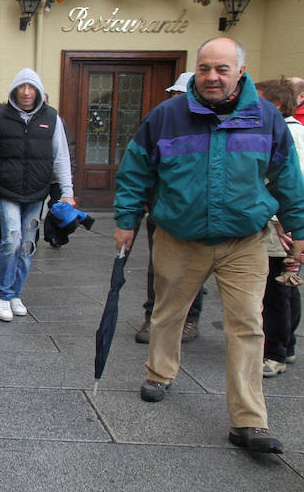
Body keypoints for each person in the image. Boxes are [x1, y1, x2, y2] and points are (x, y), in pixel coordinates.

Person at [113, 38, 304, 454]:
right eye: (204, 68)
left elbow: (288, 176)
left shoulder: (266, 118)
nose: (212, 77)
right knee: (167, 311)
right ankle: (159, 373)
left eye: (221, 68)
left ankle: (249, 422)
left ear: (240, 70)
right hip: (180, 237)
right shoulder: (166, 116)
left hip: (245, 240)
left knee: (248, 326)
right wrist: (126, 221)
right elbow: (135, 171)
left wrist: (299, 227)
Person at [0, 69, 74, 321]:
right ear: (15, 90)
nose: (26, 91)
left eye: (31, 87)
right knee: (11, 240)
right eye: (22, 87)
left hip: (36, 193)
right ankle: (3, 294)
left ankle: (15, 293)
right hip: (7, 191)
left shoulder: (52, 118)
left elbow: (61, 156)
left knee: (28, 246)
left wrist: (67, 192)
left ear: (38, 91)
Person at [135, 72, 205, 344]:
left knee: (194, 268)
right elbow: (140, 163)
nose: (176, 100)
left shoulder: (206, 126)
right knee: (159, 267)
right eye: (174, 95)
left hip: (198, 212)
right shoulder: (158, 121)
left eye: (182, 95)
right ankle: (153, 317)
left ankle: (189, 319)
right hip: (162, 208)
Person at [255, 78, 303, 377]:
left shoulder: (289, 133)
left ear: (275, 106)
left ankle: (276, 352)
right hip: (278, 221)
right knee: (282, 286)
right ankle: (288, 344)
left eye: (257, 100)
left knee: (276, 288)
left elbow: (293, 182)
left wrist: (289, 222)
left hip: (279, 224)